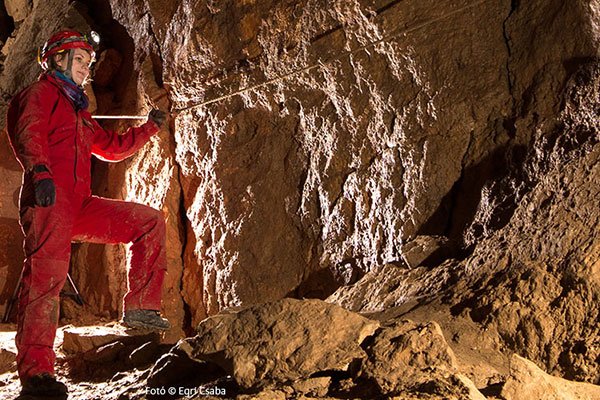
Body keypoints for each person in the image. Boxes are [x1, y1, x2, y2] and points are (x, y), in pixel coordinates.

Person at [5, 29, 171, 398]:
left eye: (87, 62)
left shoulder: (78, 109)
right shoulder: (41, 93)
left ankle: (141, 309)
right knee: (46, 281)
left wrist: (150, 128)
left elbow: (112, 148)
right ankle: (36, 374)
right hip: (49, 200)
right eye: (79, 60)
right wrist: (40, 172)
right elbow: (28, 131)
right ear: (57, 60)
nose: (86, 68)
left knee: (148, 222)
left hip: (78, 203)